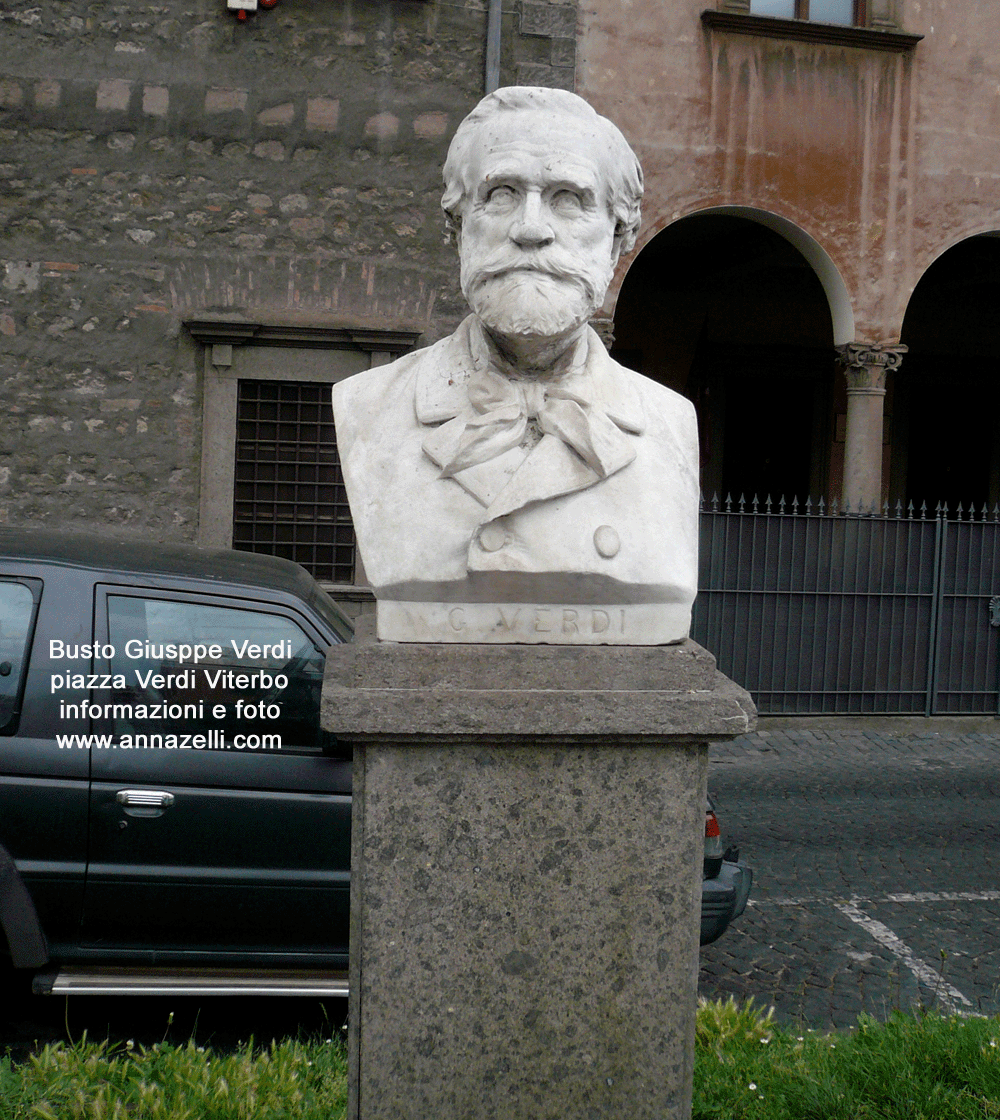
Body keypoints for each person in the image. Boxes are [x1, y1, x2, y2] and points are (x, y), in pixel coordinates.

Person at [333, 87, 699, 644]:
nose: (531, 228)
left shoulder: (669, 424)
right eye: (501, 194)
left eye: (569, 199)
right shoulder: (369, 406)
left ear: (618, 237)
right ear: (457, 229)